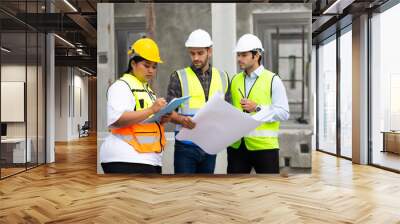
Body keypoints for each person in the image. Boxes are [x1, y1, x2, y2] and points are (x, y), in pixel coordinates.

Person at [100, 37, 170, 174]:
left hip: (147, 159)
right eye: (146, 65)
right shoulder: (121, 86)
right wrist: (151, 109)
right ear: (133, 64)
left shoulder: (147, 90)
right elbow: (117, 119)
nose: (151, 70)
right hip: (127, 159)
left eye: (154, 67)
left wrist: (160, 119)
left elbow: (142, 120)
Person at [166, 29, 230, 174]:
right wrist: (182, 120)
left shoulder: (223, 77)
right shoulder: (178, 77)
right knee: (185, 192)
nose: (195, 58)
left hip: (209, 146)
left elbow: (227, 111)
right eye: (192, 53)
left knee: (204, 192)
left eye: (200, 53)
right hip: (185, 147)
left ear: (210, 51)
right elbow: (168, 112)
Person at [228, 34, 290, 174]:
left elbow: (284, 113)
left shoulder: (273, 80)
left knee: (268, 190)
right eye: (238, 55)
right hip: (237, 147)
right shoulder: (235, 80)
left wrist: (257, 107)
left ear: (256, 56)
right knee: (234, 191)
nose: (239, 59)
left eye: (244, 55)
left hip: (265, 148)